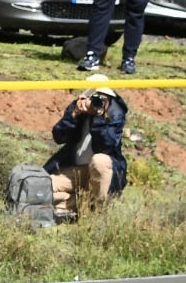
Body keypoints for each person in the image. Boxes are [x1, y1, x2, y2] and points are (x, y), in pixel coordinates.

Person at [44, 77, 128, 215]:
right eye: (94, 98)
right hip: (77, 170)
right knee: (44, 186)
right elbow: (58, 137)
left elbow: (107, 146)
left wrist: (98, 117)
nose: (97, 102)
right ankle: (79, 203)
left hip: (102, 172)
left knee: (99, 160)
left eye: (103, 98)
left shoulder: (115, 114)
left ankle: (97, 212)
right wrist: (74, 114)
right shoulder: (78, 107)